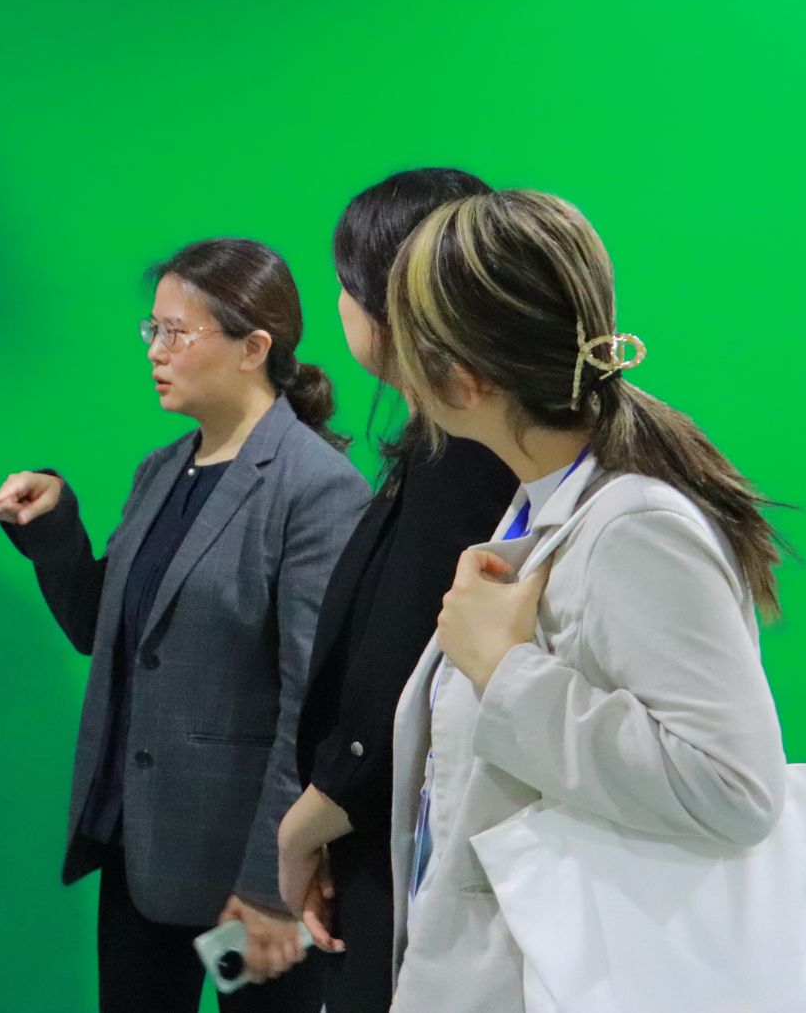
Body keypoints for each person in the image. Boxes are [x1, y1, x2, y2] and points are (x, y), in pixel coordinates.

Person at [379, 189, 788, 1013]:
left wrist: (507, 672)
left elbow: (733, 786)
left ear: (463, 377)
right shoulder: (545, 503)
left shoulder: (635, 525)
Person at [0, 238, 368, 1013]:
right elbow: (104, 629)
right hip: (140, 850)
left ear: (253, 348)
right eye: (151, 330)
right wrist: (55, 527)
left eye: (175, 333)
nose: (155, 352)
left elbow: (313, 706)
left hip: (247, 874)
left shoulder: (316, 489)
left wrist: (270, 884)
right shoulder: (161, 470)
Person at [272, 170, 515, 1012]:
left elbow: (401, 671)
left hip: (400, 842)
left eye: (346, 286)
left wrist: (306, 823)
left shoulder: (463, 459)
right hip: (367, 838)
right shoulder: (435, 450)